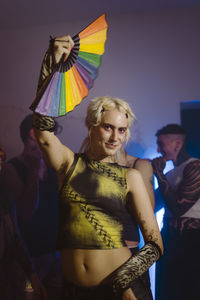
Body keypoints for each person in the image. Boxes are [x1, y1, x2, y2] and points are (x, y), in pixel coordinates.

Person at [31, 35, 163, 300]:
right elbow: (43, 132)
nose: (115, 137)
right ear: (91, 126)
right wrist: (51, 66)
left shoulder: (131, 176)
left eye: (122, 130)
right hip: (73, 290)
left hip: (121, 290)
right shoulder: (69, 163)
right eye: (108, 127)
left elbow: (155, 244)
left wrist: (122, 284)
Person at [0, 115, 62, 300]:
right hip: (27, 257)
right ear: (26, 138)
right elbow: (25, 214)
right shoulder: (11, 169)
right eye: (34, 137)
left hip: (55, 252)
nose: (40, 143)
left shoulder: (54, 167)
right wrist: (34, 171)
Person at [152, 124, 200, 300]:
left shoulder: (195, 166)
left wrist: (159, 174)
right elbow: (151, 207)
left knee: (190, 290)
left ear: (177, 144)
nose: (158, 149)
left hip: (192, 240)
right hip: (170, 239)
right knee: (167, 291)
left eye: (161, 144)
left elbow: (180, 208)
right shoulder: (171, 173)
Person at [116, 147, 155, 299]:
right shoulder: (87, 163)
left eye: (121, 130)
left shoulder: (138, 166)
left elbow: (146, 217)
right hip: (94, 257)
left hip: (129, 254)